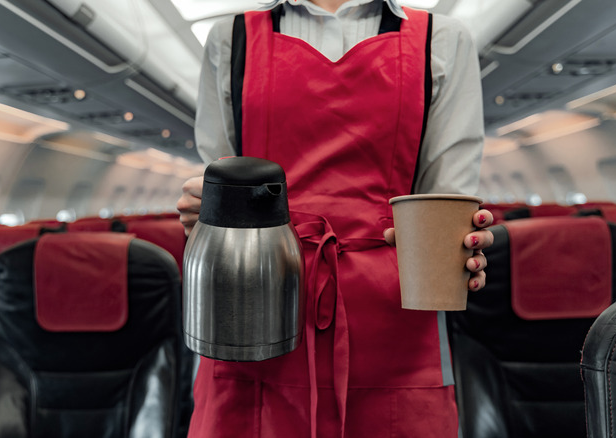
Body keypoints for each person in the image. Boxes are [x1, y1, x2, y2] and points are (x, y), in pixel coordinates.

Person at [177, 0, 494, 436]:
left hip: (395, 318)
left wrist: (461, 249)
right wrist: (203, 212)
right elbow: (224, 182)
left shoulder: (443, 39)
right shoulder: (231, 38)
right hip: (254, 304)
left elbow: (446, 204)